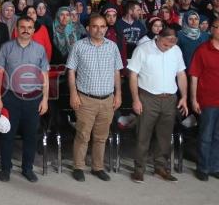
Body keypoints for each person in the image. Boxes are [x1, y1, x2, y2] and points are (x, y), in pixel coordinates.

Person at [66, 14, 123, 182]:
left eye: (103, 26)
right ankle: (78, 167)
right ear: (88, 28)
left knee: (101, 136)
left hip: (107, 99)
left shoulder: (112, 47)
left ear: (106, 28)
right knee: (83, 135)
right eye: (95, 26)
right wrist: (73, 93)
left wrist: (118, 93)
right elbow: (71, 71)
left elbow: (117, 72)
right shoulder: (79, 46)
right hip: (86, 99)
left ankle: (98, 167)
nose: (99, 30)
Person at [127, 27, 188, 183]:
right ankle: (139, 169)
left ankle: (160, 167)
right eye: (165, 45)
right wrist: (135, 99)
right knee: (143, 135)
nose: (167, 48)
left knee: (164, 136)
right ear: (158, 37)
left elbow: (181, 74)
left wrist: (184, 97)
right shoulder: (143, 49)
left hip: (170, 98)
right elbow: (133, 75)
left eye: (170, 45)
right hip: (148, 97)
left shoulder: (176, 50)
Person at [0, 16, 50, 182]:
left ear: (34, 30)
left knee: (30, 136)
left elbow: (45, 76)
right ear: (16, 29)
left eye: (30, 27)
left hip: (33, 98)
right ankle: (6, 168)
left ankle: (27, 168)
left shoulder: (40, 50)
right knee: (7, 135)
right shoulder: (6, 48)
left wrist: (45, 99)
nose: (26, 30)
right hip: (10, 97)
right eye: (22, 27)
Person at [189, 19, 219, 180]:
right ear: (212, 30)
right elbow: (194, 76)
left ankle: (215, 166)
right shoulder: (202, 50)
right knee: (206, 135)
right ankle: (203, 167)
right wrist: (194, 99)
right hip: (207, 100)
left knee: (218, 136)